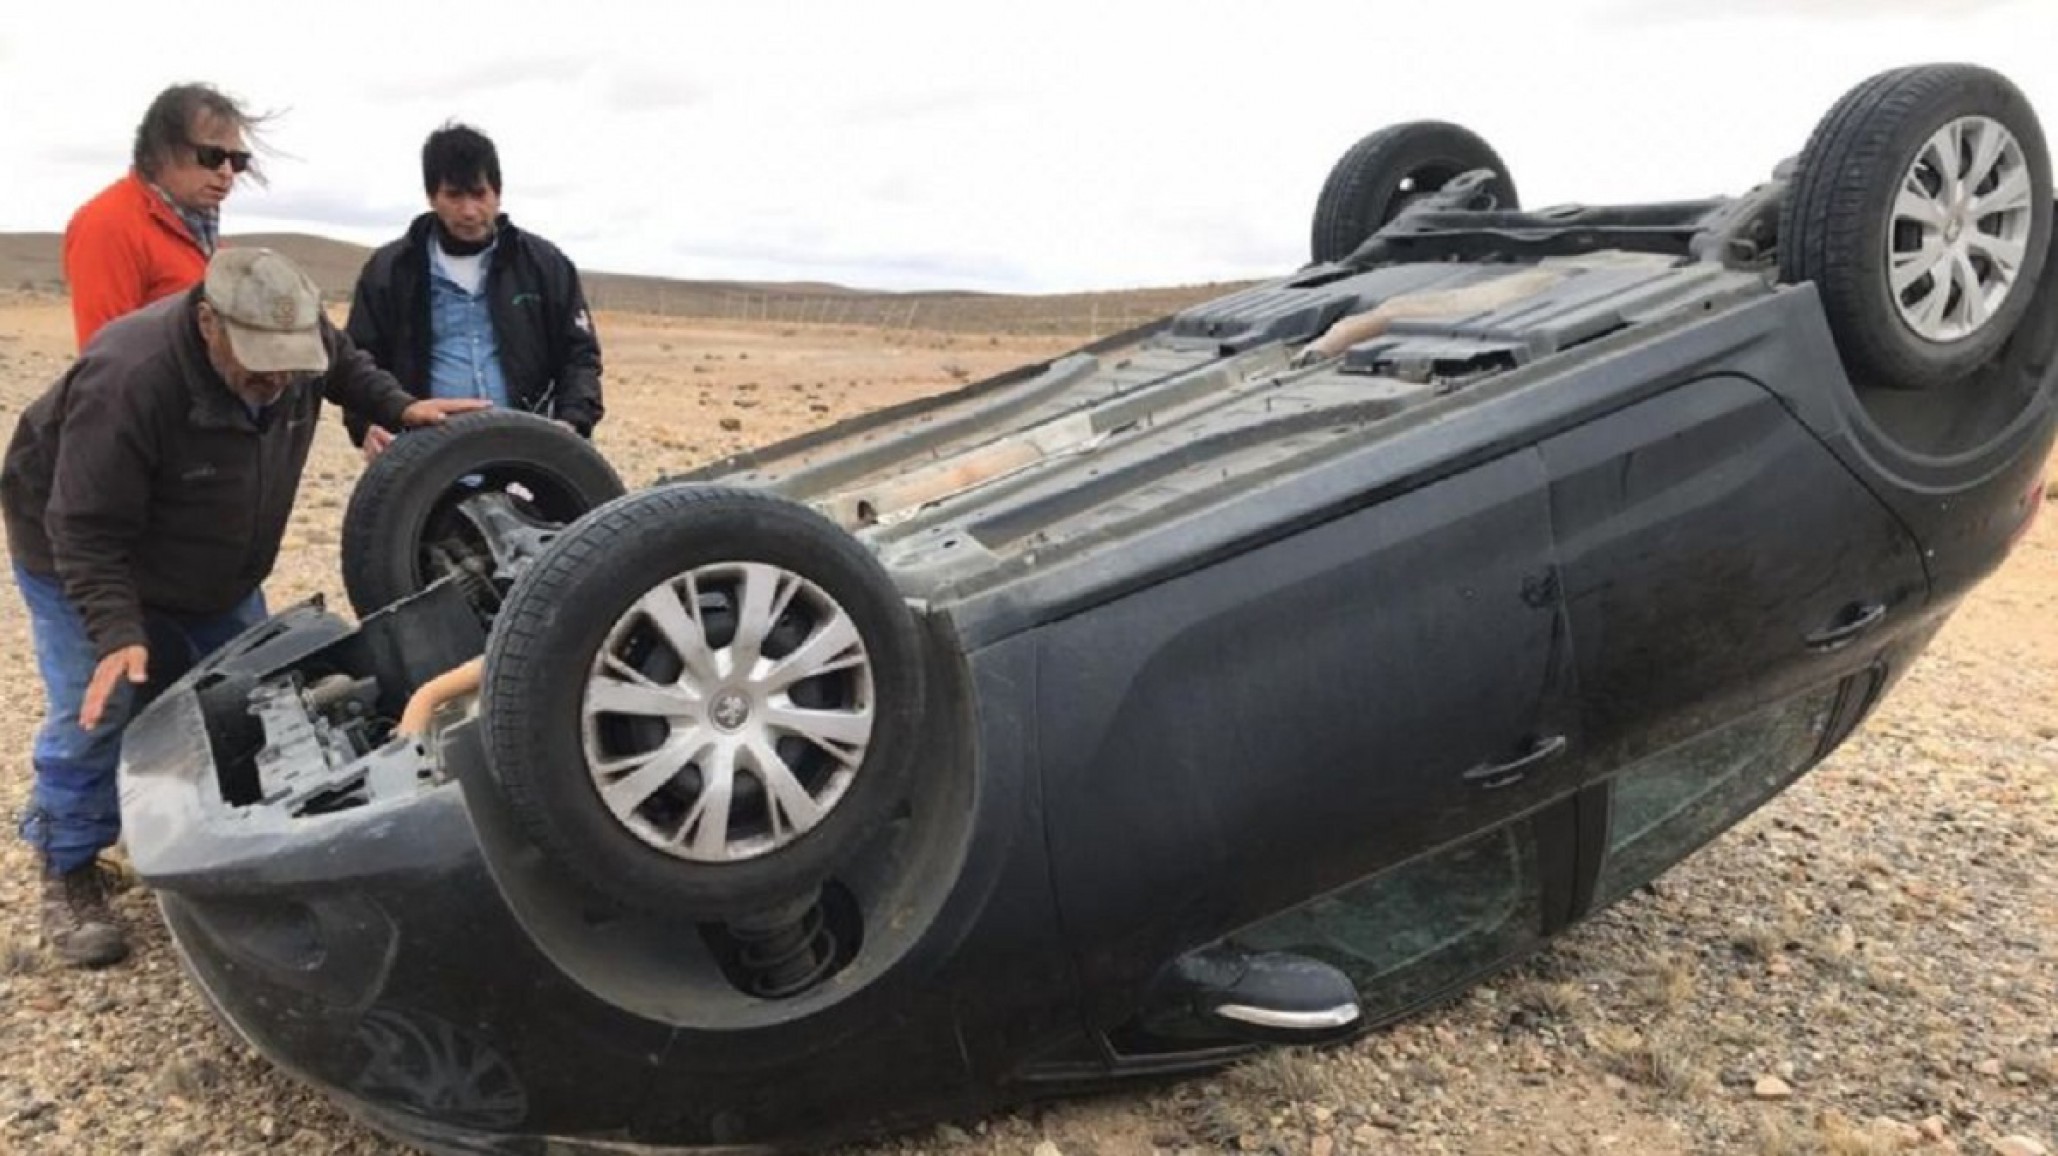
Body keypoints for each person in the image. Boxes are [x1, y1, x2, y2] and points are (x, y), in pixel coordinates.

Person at [0, 248, 488, 968]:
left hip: (212, 569)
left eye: (290, 366)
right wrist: (115, 630)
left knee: (245, 697)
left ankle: (209, 843)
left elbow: (343, 363)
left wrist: (397, 405)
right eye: (259, 365)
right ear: (207, 323)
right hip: (88, 559)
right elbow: (84, 528)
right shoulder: (130, 377)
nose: (277, 382)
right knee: (96, 710)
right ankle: (67, 865)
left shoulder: (290, 345)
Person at [345, 121, 603, 458]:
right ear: (431, 196)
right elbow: (358, 359)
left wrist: (572, 424)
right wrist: (366, 425)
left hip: (529, 453)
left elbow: (579, 355)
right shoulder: (391, 270)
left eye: (479, 195)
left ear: (497, 193)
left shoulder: (544, 265)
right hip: (423, 456)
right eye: (454, 196)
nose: (469, 211)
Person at [63, 83, 267, 350]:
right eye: (212, 156)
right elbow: (104, 357)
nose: (227, 172)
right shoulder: (108, 225)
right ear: (162, 150)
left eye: (237, 160)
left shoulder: (202, 235)